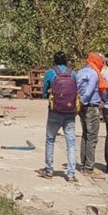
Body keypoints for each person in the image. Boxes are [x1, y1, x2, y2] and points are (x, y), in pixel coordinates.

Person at [40, 52, 79, 182]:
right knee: (71, 142)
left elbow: (44, 92)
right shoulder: (73, 73)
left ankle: (49, 170)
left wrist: (50, 97)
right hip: (70, 112)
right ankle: (71, 173)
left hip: (54, 111)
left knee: (50, 139)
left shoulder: (51, 73)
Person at [76, 53, 107, 177]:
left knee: (85, 135)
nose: (103, 64)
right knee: (92, 137)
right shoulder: (94, 74)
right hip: (91, 106)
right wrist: (84, 102)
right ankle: (89, 168)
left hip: (82, 107)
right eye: (102, 61)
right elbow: (88, 92)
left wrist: (79, 105)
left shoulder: (81, 72)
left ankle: (83, 164)